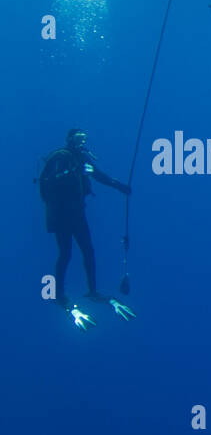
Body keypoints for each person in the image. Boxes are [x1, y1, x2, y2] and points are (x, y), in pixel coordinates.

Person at [38, 129, 135, 327]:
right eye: (78, 139)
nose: (82, 142)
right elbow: (51, 180)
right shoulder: (61, 157)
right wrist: (73, 172)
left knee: (88, 251)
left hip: (78, 214)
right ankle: (59, 294)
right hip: (62, 215)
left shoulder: (82, 158)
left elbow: (99, 176)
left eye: (84, 139)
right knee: (65, 254)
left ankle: (92, 291)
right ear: (70, 140)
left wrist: (120, 186)